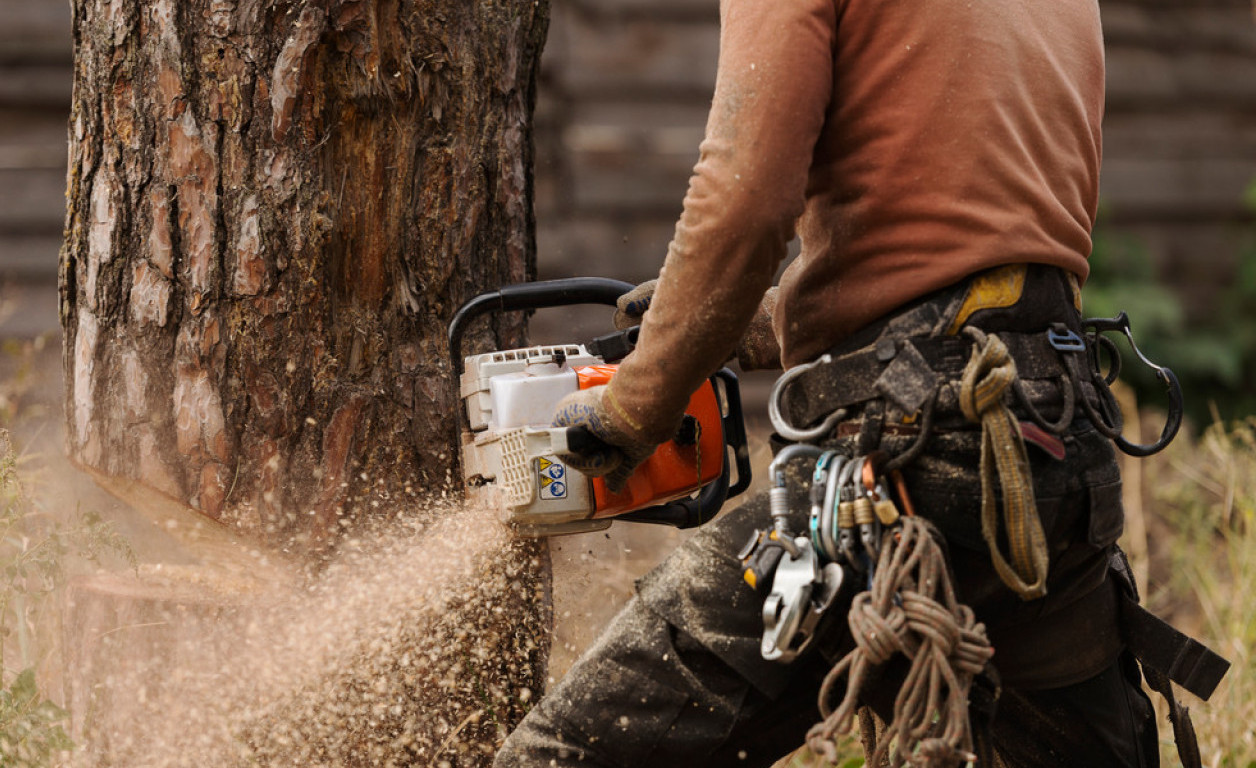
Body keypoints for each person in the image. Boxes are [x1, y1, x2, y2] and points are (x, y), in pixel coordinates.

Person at [494, 0, 1172, 765]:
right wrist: (739, 323)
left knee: (561, 754)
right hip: (1057, 444)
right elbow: (972, 246)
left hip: (912, 456)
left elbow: (746, 201)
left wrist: (632, 407)